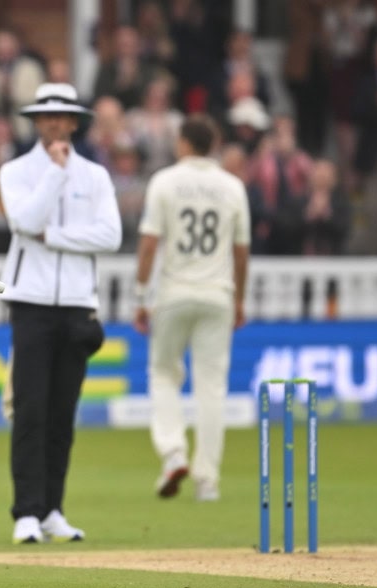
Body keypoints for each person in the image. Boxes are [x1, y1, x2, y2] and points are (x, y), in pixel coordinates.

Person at [0, 83, 122, 544]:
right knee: (30, 408)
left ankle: (52, 509)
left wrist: (58, 237)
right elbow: (25, 223)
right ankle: (26, 512)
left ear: (74, 122)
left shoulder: (95, 175)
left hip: (77, 305)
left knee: (63, 413)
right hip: (29, 301)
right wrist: (54, 172)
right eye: (46, 117)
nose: (54, 124)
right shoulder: (16, 170)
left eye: (63, 117)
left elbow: (110, 235)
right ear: (37, 122)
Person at [132, 114, 250, 502]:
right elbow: (241, 252)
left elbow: (150, 244)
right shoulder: (233, 187)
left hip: (174, 293)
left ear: (183, 143)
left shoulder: (165, 181)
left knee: (164, 374)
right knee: (211, 388)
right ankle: (207, 481)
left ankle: (173, 454)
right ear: (214, 144)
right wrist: (239, 299)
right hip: (217, 293)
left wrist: (139, 296)